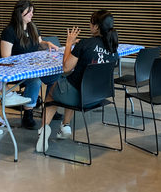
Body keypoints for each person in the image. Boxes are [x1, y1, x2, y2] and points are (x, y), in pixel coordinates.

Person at [36, 10, 119, 152]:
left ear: (97, 27)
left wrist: (69, 44)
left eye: (91, 23)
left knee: (53, 89)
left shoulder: (85, 44)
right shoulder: (113, 49)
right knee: (70, 83)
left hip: (78, 97)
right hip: (97, 97)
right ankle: (65, 126)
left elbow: (66, 67)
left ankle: (44, 129)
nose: (89, 25)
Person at [0, 0, 60, 129]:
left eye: (32, 12)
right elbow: (5, 57)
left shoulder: (33, 27)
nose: (32, 14)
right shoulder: (9, 31)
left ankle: (49, 108)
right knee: (35, 81)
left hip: (34, 67)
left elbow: (39, 43)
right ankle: (28, 114)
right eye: (29, 12)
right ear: (20, 13)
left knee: (56, 77)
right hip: (17, 70)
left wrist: (47, 44)